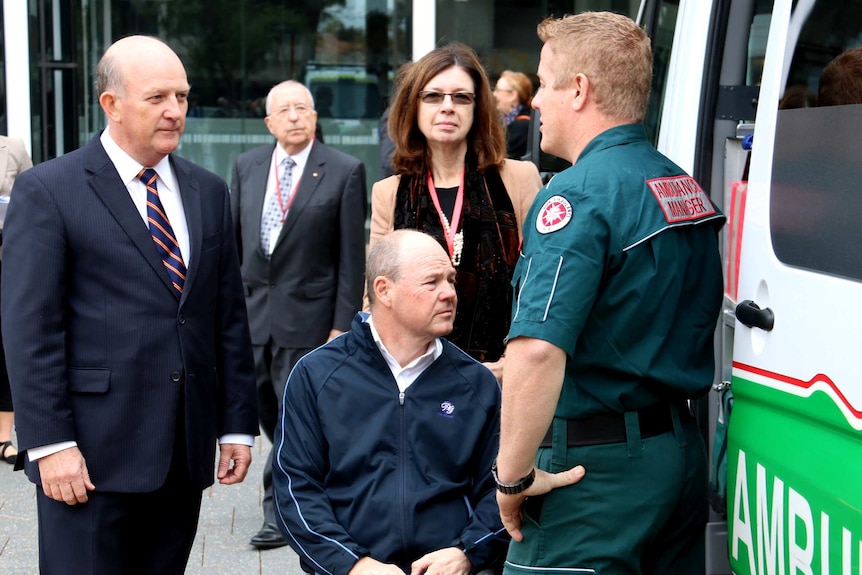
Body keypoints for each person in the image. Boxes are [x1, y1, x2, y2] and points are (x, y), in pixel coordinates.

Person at [0, 36, 259, 575]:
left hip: (181, 457)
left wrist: (235, 424)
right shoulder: (48, 190)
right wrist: (49, 444)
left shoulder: (208, 191)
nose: (175, 110)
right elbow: (31, 330)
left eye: (183, 97)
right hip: (90, 459)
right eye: (158, 97)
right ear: (111, 104)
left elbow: (227, 315)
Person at [494, 12, 726, 575]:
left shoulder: (575, 197)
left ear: (579, 90)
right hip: (676, 456)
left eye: (545, 84)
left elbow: (539, 348)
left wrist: (513, 476)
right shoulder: (681, 185)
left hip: (595, 476)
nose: (537, 103)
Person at [273, 229, 507, 575]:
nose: (449, 294)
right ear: (384, 290)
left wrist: (467, 553)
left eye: (451, 280)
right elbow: (295, 488)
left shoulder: (476, 384)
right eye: (432, 283)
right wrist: (353, 565)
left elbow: (503, 486)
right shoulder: (316, 374)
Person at [230, 79, 367, 550]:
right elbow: (234, 244)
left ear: (314, 116)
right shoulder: (246, 166)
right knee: (266, 412)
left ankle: (280, 513)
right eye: (284, 110)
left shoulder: (344, 170)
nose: (293, 116)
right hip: (252, 317)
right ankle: (317, 480)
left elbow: (352, 258)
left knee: (291, 417)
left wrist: (340, 325)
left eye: (302, 108)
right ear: (268, 122)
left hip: (309, 319)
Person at [370, 42, 542, 381]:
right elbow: (377, 299)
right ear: (413, 108)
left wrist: (514, 364)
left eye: (461, 97)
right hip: (417, 383)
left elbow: (541, 286)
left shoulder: (519, 180)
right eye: (433, 96)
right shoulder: (388, 193)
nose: (448, 107)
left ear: (478, 109)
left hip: (503, 381)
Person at [0, 134, 33, 465]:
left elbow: (29, 200)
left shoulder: (12, 148)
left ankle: (2, 438)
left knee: (3, 345)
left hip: (3, 260)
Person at [493, 70, 533, 159]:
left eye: (498, 90)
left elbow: (497, 156)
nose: (494, 94)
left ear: (513, 95)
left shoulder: (522, 126)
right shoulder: (507, 122)